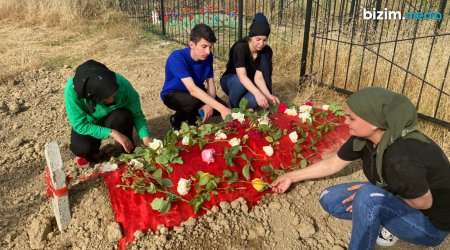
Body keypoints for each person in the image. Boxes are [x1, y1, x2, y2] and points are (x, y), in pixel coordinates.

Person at [271, 87, 450, 249]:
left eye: (351, 118)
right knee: (330, 199)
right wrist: (291, 176)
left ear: (373, 123)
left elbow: (423, 202)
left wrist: (375, 196)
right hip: (403, 197)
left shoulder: (401, 157)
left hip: (429, 224)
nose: (345, 121)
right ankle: (380, 215)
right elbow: (333, 163)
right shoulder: (367, 138)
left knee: (367, 197)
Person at [64, 59, 151, 166]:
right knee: (82, 149)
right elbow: (80, 124)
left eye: (114, 95)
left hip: (114, 117)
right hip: (91, 122)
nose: (112, 100)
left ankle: (127, 150)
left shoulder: (121, 84)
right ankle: (94, 156)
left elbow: (137, 114)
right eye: (106, 99)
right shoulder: (72, 92)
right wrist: (113, 133)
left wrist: (146, 138)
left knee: (122, 117)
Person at [160, 23, 231, 131]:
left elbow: (211, 84)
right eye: (204, 46)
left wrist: (210, 105)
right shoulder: (177, 57)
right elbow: (192, 90)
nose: (208, 51)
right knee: (195, 101)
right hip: (173, 93)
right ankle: (176, 120)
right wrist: (221, 109)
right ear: (192, 45)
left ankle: (193, 119)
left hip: (195, 92)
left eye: (210, 47)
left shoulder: (208, 56)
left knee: (220, 105)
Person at [220, 12, 280, 109]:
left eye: (264, 40)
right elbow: (242, 76)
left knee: (256, 100)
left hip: (250, 83)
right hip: (232, 81)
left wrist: (268, 95)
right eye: (258, 39)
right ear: (251, 37)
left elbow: (259, 78)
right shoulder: (240, 48)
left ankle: (243, 106)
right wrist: (257, 93)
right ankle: (235, 108)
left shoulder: (266, 51)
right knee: (238, 82)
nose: (261, 43)